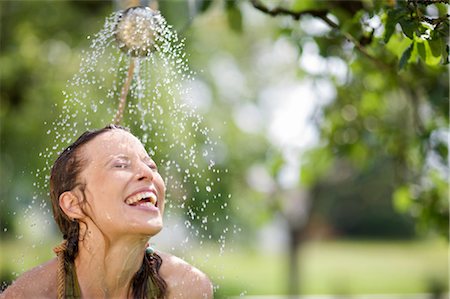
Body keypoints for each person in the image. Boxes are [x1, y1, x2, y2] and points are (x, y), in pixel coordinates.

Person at [1, 124, 213, 299]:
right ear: (73, 204)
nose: (147, 173)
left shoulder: (185, 288)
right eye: (120, 165)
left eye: (152, 166)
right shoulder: (29, 295)